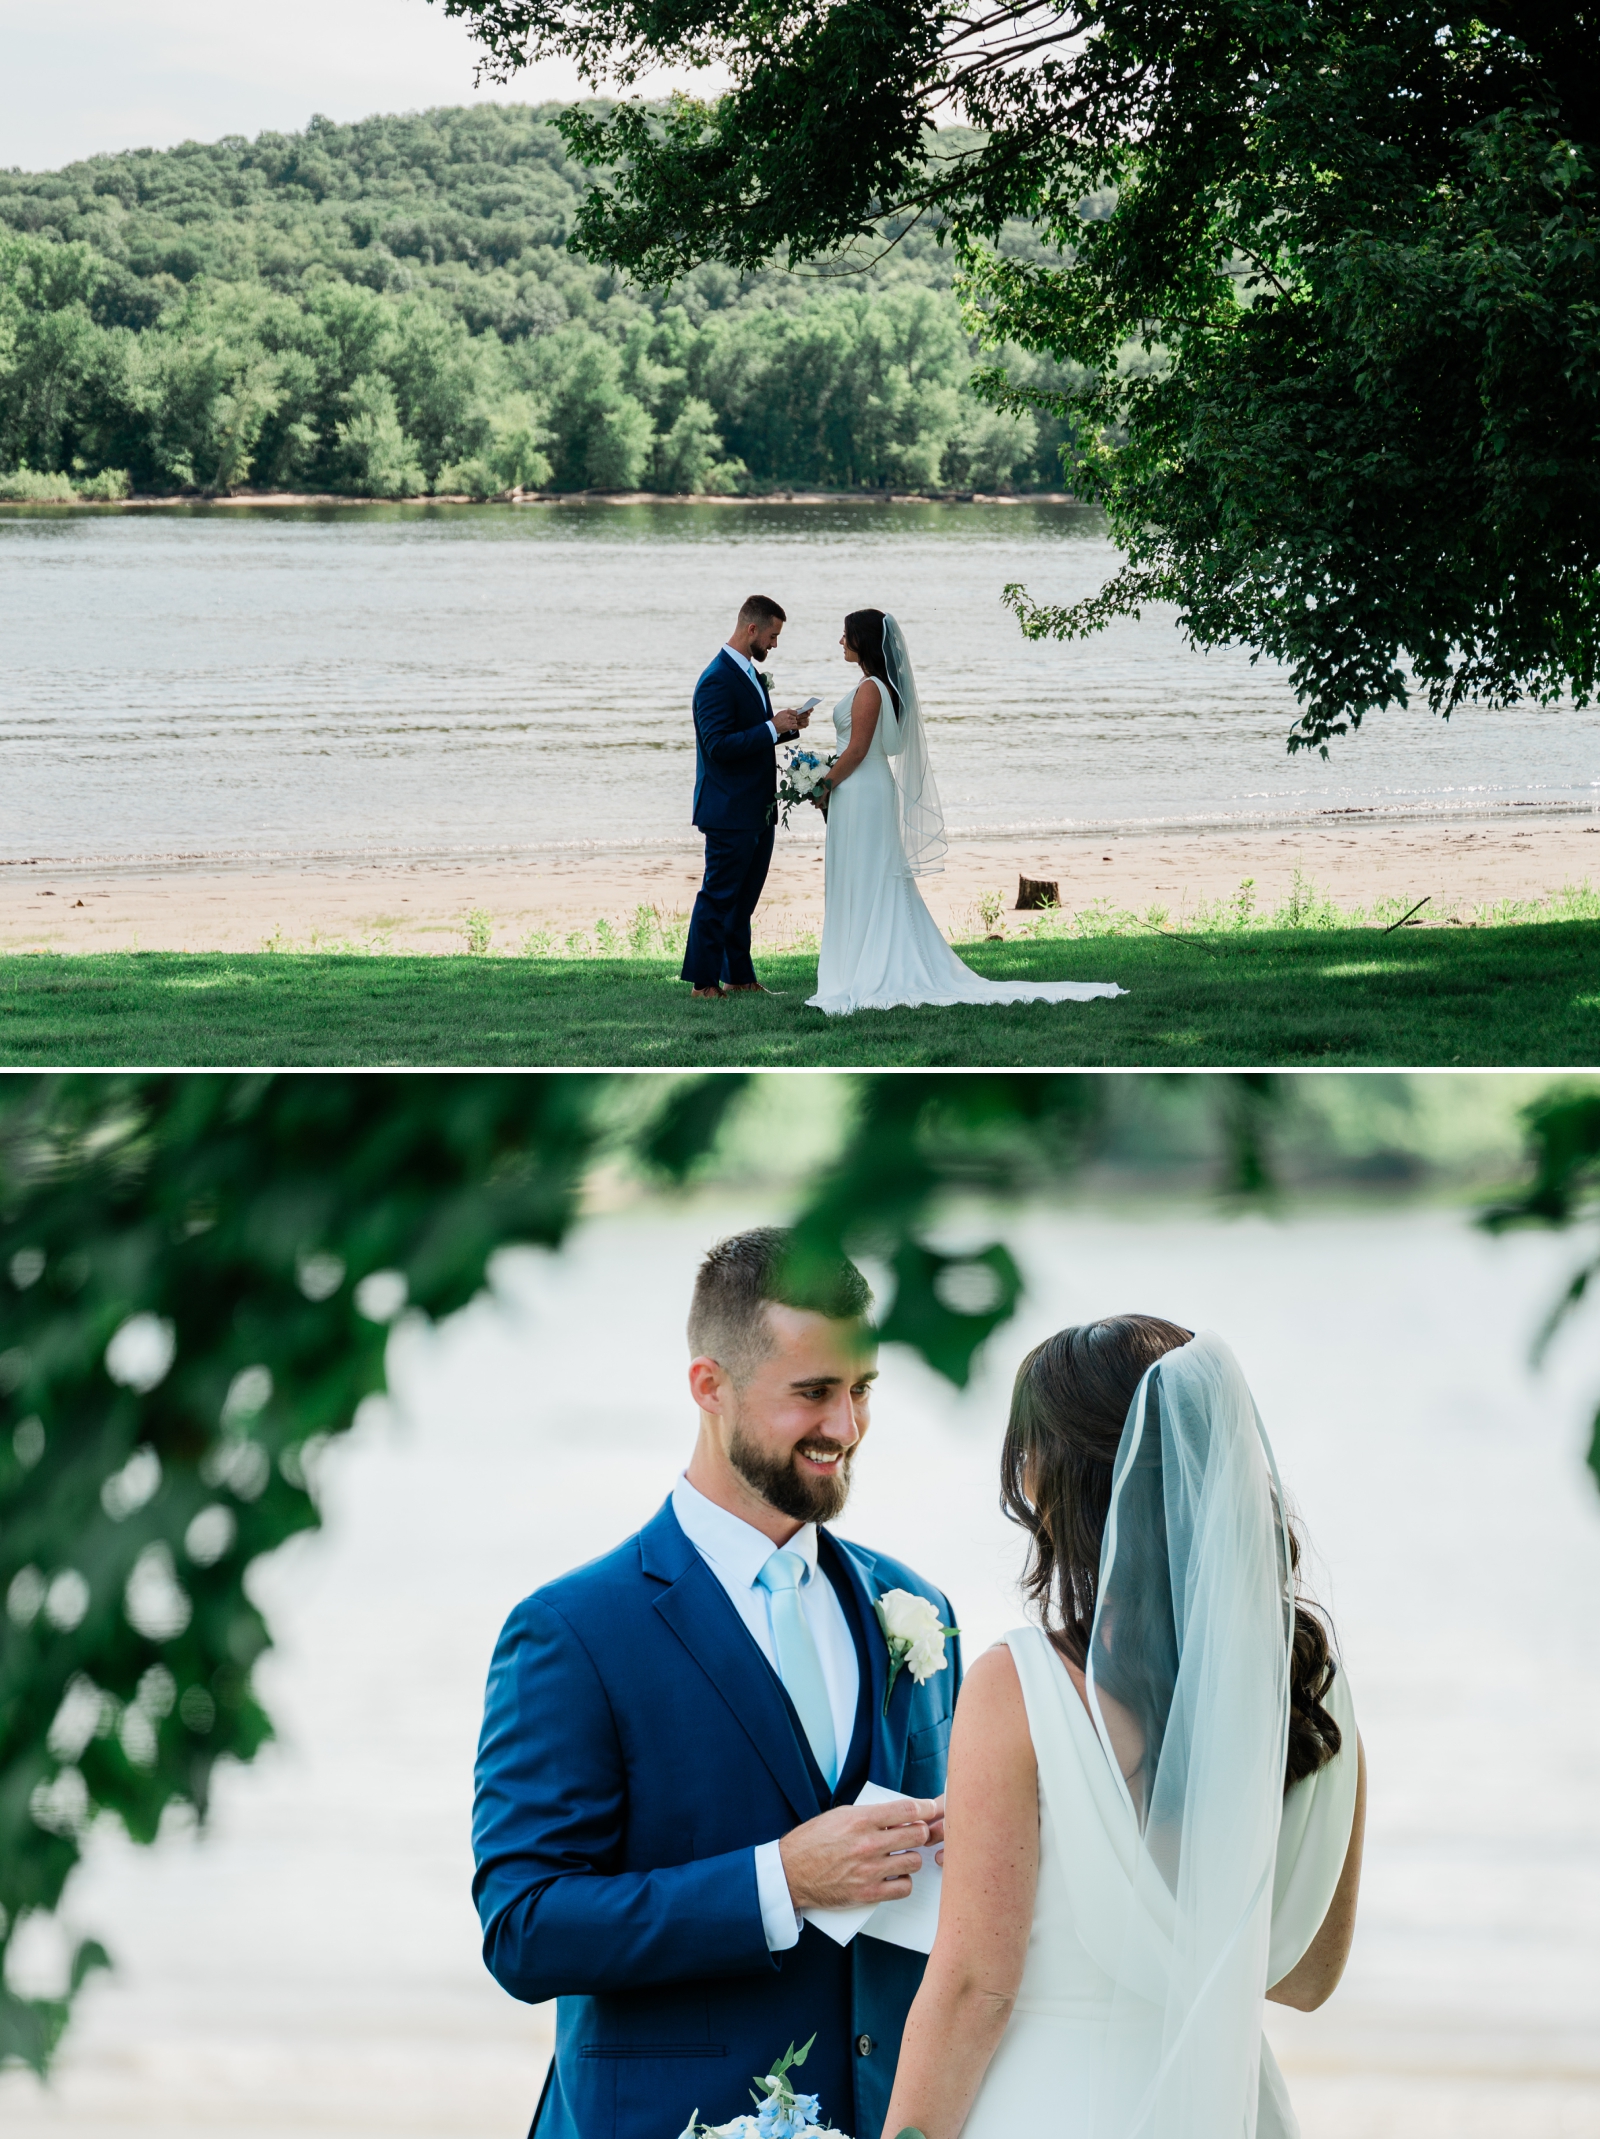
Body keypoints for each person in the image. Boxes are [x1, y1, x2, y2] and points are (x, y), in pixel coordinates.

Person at [472, 1227, 961, 2139]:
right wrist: (779, 1880)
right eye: (812, 1392)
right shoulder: (573, 1631)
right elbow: (525, 1926)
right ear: (710, 1386)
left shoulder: (916, 1607)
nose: (846, 1428)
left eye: (861, 1391)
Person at [883, 1317, 1367, 2139]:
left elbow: (975, 1989)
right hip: (1231, 2106)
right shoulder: (1309, 1685)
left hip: (1052, 2107)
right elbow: (1307, 1975)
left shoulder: (1020, 1685)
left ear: (1059, 1480)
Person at [807, 609, 1126, 1015]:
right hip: (861, 790)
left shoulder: (871, 688)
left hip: (862, 791)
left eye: (846, 635)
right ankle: (853, 965)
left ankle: (867, 967)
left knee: (867, 874)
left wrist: (824, 784)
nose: (840, 642)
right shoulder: (877, 686)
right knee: (858, 874)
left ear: (863, 641)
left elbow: (857, 750)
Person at [682, 596, 811, 1000]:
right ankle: (704, 984)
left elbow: (753, 731)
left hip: (757, 808)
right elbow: (718, 745)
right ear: (751, 629)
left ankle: (739, 976)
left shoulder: (749, 673)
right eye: (772, 636)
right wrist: (771, 729)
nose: (774, 644)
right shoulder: (716, 679)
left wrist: (787, 726)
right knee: (719, 897)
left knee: (743, 901)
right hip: (728, 809)